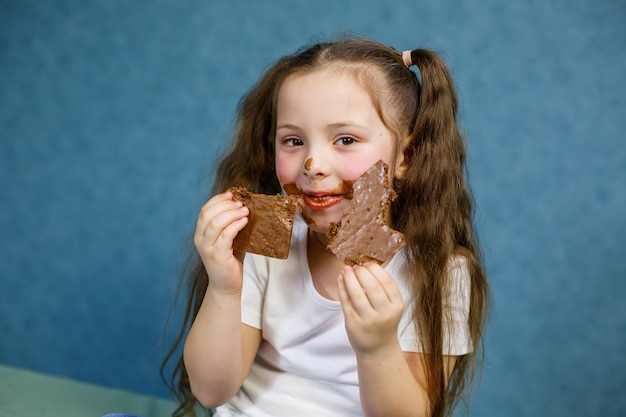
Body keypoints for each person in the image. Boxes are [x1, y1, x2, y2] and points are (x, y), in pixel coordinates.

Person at [161, 38, 489, 417]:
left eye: (346, 139)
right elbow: (211, 391)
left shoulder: (441, 272)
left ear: (407, 157)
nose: (313, 163)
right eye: (294, 141)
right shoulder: (262, 249)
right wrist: (223, 286)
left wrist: (377, 346)